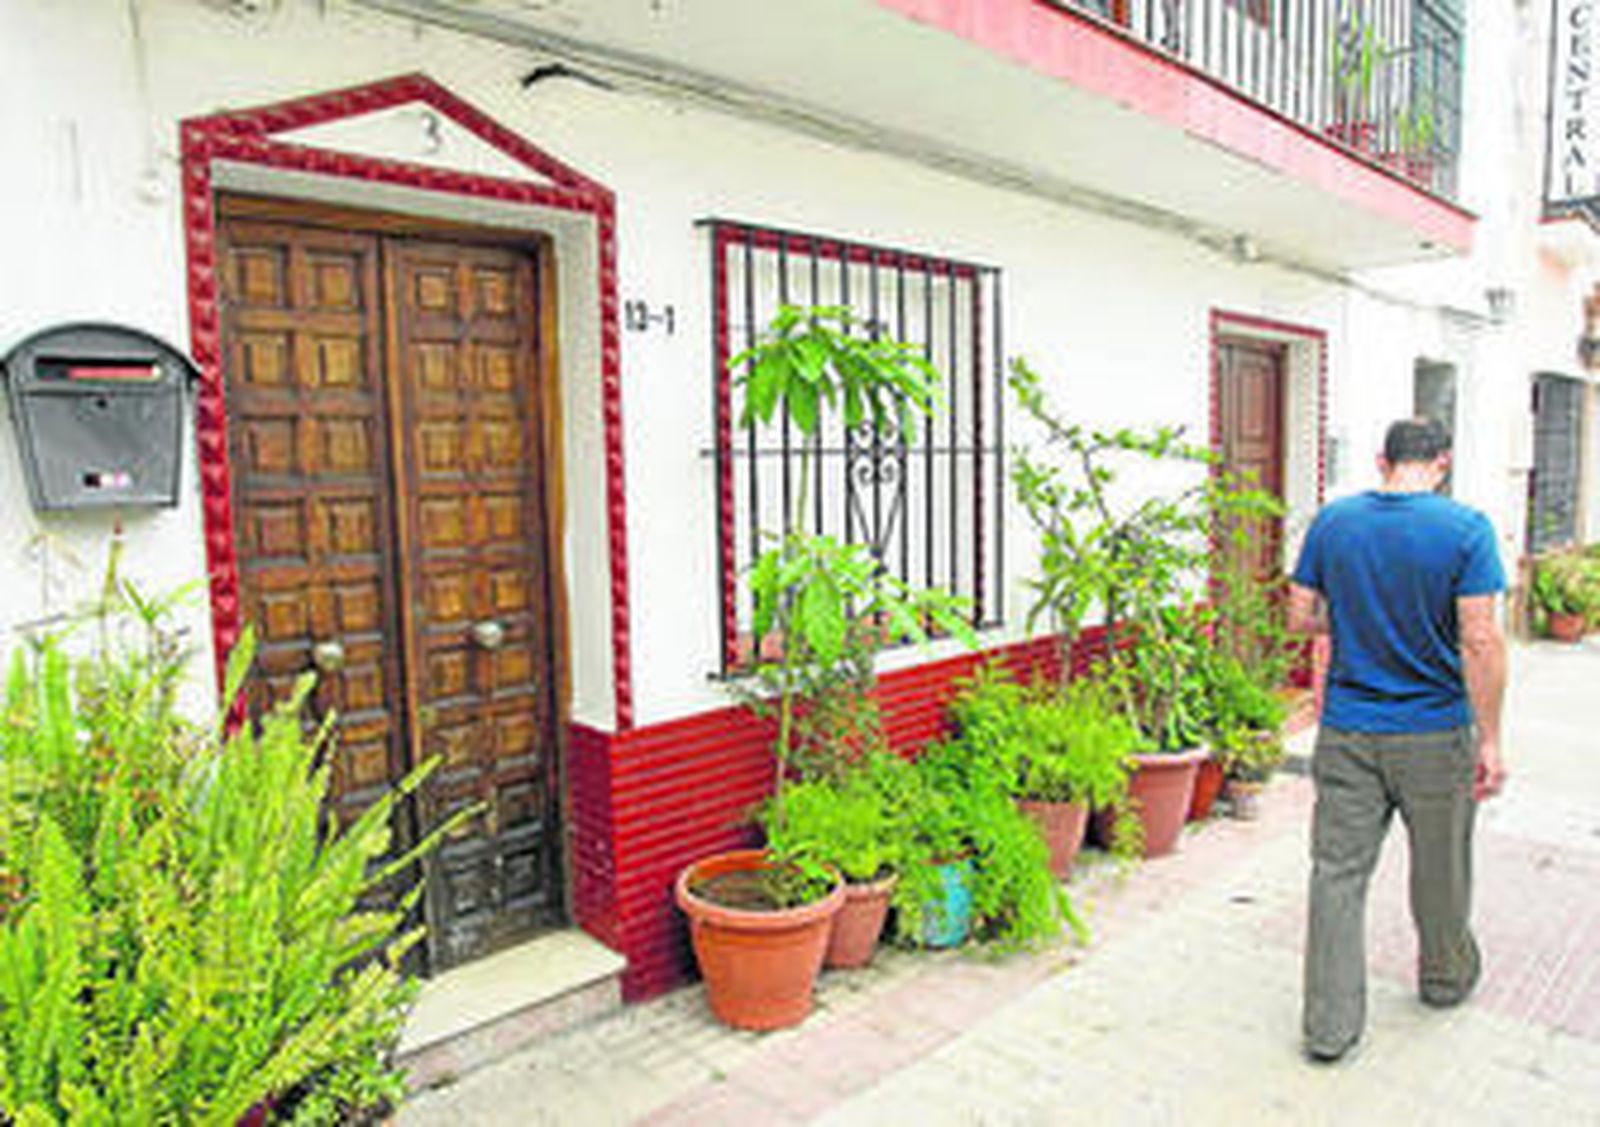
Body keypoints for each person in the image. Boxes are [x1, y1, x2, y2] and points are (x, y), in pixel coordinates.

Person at [1287, 418, 1507, 1063]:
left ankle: (1329, 1029)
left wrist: (1352, 620)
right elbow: (1481, 639)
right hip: (1436, 734)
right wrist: (1490, 738)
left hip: (1349, 730)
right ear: (1441, 463)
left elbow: (1300, 617)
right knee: (1441, 868)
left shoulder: (1334, 522)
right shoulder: (1467, 529)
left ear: (1383, 460)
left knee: (1336, 876)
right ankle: (1444, 980)